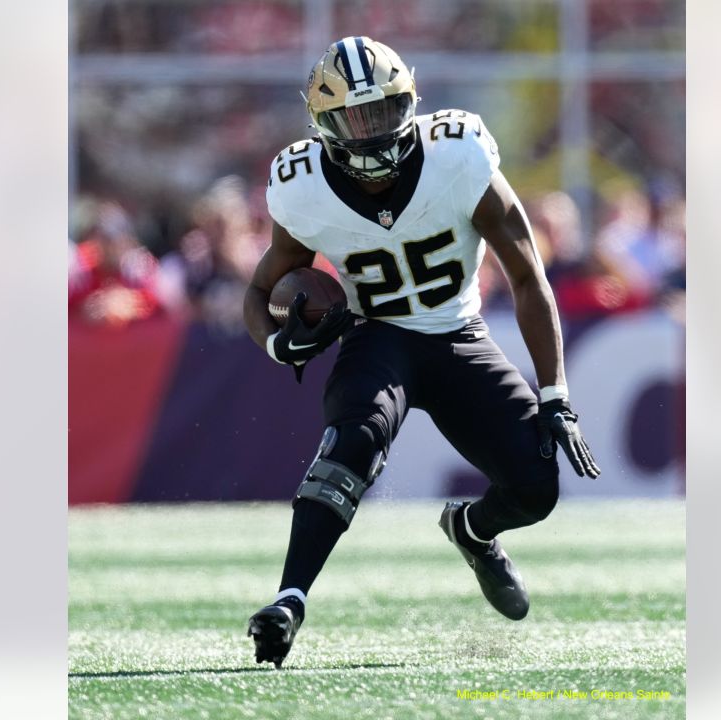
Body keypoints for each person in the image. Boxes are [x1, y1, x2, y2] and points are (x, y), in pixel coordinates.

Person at [242, 36, 601, 668]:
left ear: (410, 101)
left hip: (458, 335)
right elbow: (260, 289)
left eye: (383, 110)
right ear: (324, 125)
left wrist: (557, 396)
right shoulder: (302, 187)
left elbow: (526, 275)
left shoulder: (457, 156)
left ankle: (473, 530)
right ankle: (289, 600)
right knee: (351, 443)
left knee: (536, 489)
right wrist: (276, 342)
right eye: (356, 117)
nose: (374, 130)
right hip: (378, 335)